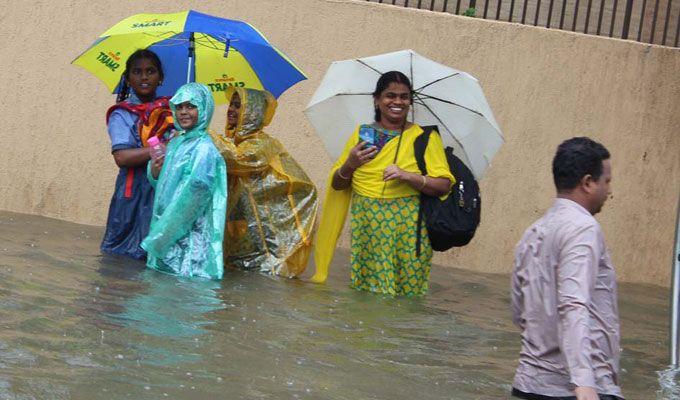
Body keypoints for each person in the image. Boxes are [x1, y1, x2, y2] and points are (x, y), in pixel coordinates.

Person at [311, 71, 455, 296]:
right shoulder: (362, 134)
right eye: (390, 95)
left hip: (408, 233)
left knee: (406, 299)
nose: (397, 102)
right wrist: (350, 164)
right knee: (367, 296)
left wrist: (407, 176)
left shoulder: (424, 137)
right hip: (367, 230)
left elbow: (444, 185)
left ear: (410, 102)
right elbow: (338, 185)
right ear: (376, 99)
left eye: (404, 97)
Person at [510, 137, 622, 400]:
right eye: (606, 181)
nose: (609, 190)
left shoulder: (533, 232)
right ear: (587, 183)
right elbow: (573, 305)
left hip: (527, 385)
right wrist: (584, 383)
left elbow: (518, 311)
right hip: (577, 390)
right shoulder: (584, 229)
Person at [210, 87, 318, 277]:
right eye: (231, 105)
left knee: (265, 273)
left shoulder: (263, 143)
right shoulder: (233, 142)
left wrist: (204, 133)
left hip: (265, 229)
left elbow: (238, 158)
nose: (231, 110)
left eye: (238, 106)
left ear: (253, 113)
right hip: (242, 225)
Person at [140, 83, 227, 279]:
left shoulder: (204, 149)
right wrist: (154, 171)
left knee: (181, 290)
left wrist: (162, 238)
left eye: (191, 106)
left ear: (204, 109)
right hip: (165, 232)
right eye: (179, 107)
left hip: (186, 239)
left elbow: (192, 200)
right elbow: (164, 186)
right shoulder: (177, 142)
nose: (183, 112)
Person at [101, 49, 173, 260]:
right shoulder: (122, 114)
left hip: (163, 190)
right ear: (128, 78)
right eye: (137, 72)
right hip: (132, 194)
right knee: (123, 256)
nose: (144, 77)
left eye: (150, 71)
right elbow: (122, 158)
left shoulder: (171, 112)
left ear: (160, 78)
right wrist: (162, 147)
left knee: (158, 255)